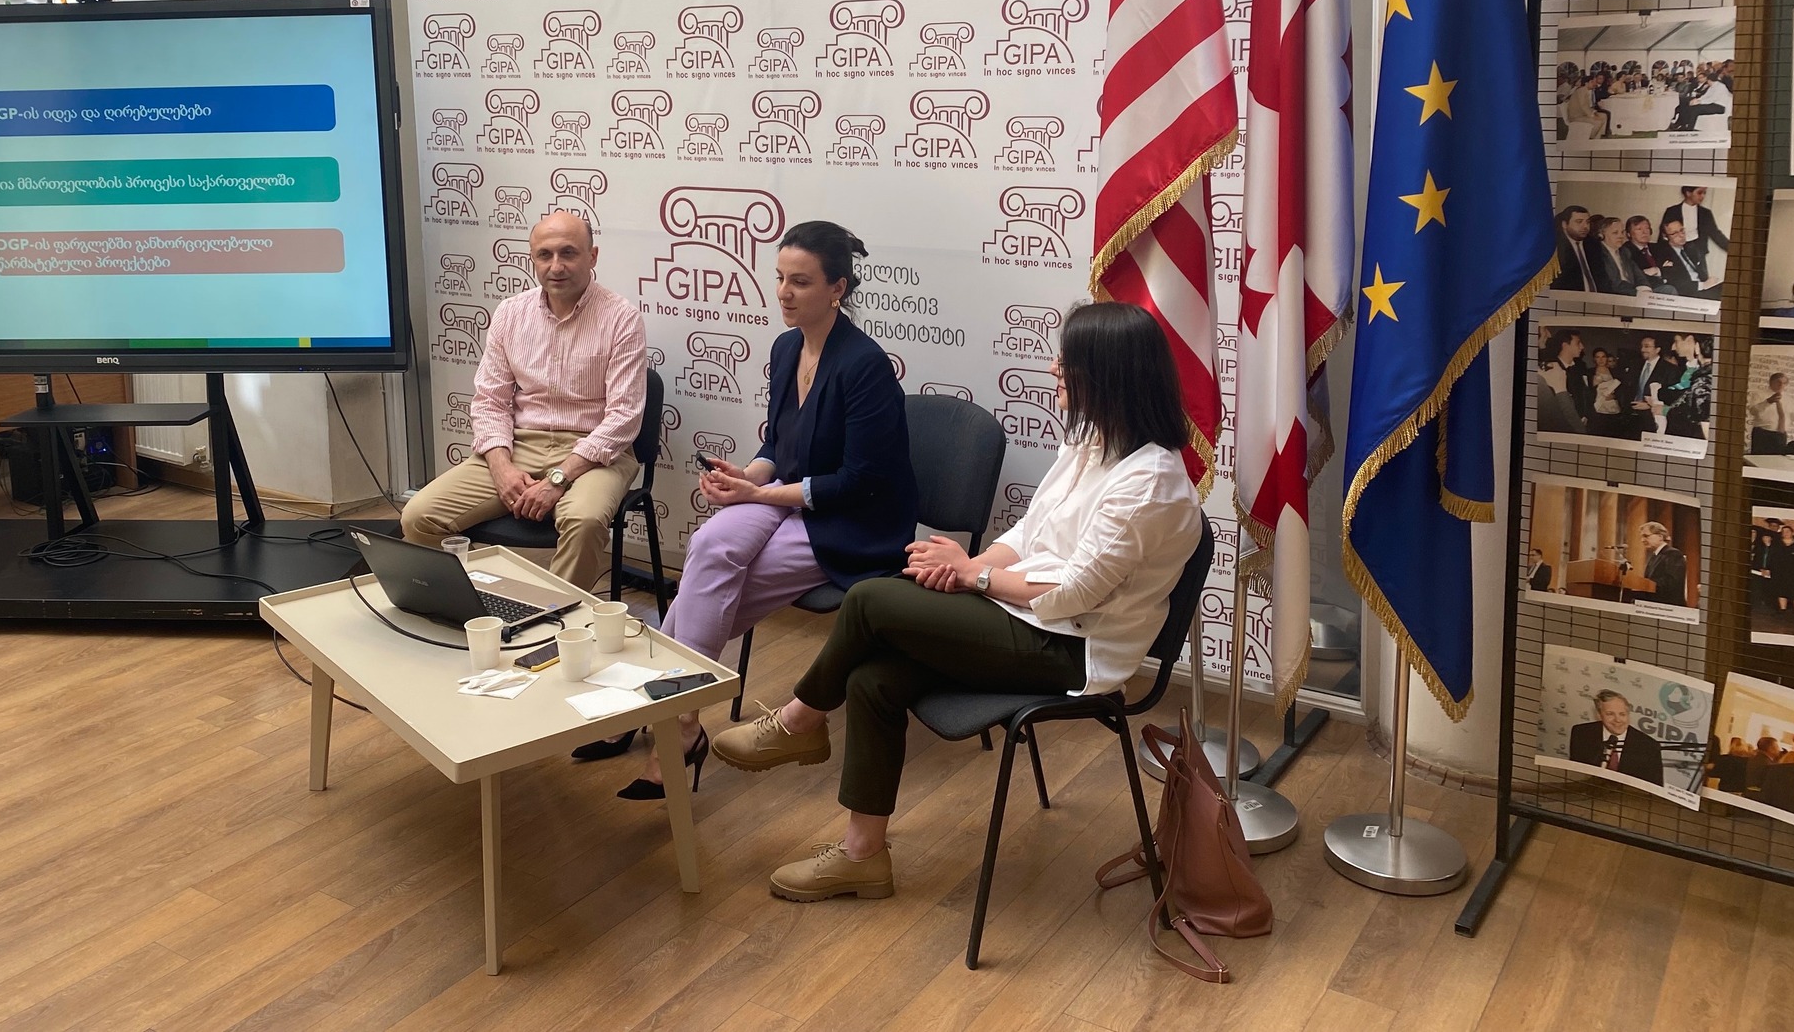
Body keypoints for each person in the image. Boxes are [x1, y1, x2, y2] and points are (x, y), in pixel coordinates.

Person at [707, 301, 1203, 901]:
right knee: (872, 678)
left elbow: (1074, 593)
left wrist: (974, 579)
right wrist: (972, 565)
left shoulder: (1150, 483)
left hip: (1073, 650)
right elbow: (1030, 534)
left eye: (1066, 361)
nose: (1053, 369)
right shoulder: (1092, 441)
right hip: (1024, 616)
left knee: (868, 601)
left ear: (1106, 375)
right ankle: (862, 857)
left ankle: (799, 721)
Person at [583, 220, 917, 800]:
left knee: (715, 584)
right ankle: (679, 718)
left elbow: (859, 482)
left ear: (838, 288)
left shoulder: (865, 365)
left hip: (853, 522)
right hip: (789, 494)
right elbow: (780, 445)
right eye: (780, 278)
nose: (784, 293)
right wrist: (748, 475)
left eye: (801, 282)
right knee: (710, 546)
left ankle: (668, 717)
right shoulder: (787, 347)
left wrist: (759, 495)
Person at [400, 211, 646, 591]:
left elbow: (624, 417)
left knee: (584, 521)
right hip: (518, 445)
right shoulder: (510, 313)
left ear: (592, 256)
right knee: (418, 516)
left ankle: (557, 615)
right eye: (544, 255)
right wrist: (501, 468)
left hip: (595, 453)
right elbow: (490, 402)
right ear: (532, 259)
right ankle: (473, 601)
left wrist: (559, 478)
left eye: (568, 253)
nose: (556, 266)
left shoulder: (622, 318)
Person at [1570, 690, 1666, 785]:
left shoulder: (1649, 746)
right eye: (1610, 714)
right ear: (1599, 715)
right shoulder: (1581, 733)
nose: (1618, 720)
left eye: (1622, 714)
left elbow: (1654, 788)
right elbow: (1575, 776)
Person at [1654, 332, 1712, 440]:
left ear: (1690, 340)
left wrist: (1666, 409)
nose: (1673, 347)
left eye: (1676, 341)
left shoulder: (1703, 374)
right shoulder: (1684, 368)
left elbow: (1681, 398)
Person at [1750, 372, 1794, 456]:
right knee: (1758, 460)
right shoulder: (1759, 395)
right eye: (1778, 382)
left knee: (1778, 460)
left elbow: (1793, 418)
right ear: (1770, 382)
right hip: (1763, 434)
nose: (1781, 385)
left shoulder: (1788, 399)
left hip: (1781, 435)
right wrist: (1768, 401)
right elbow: (1753, 411)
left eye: (1784, 383)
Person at [1537, 328, 1586, 435]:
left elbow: (1582, 394)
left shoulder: (1578, 368)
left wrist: (1584, 415)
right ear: (1565, 345)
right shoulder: (1552, 368)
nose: (1582, 347)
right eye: (1578, 343)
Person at [1658, 218, 1721, 299]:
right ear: (1665, 236)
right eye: (1675, 233)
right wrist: (1703, 285)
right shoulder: (1663, 254)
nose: (1681, 235)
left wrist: (1709, 283)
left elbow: (1702, 273)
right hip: (1688, 294)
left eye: (1682, 230)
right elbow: (1675, 283)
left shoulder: (1691, 248)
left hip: (1703, 289)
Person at [1661, 185, 1728, 254]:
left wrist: (1731, 248)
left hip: (1698, 251)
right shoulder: (1672, 211)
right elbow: (1663, 234)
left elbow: (1715, 233)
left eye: (1704, 193)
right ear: (1688, 193)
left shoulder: (1705, 213)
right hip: (1677, 250)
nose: (1703, 196)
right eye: (1699, 193)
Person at [1587, 218, 1642, 297]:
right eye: (1615, 233)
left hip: (1633, 293)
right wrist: (1639, 293)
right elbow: (1614, 284)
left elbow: (1638, 275)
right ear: (1601, 235)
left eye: (1622, 232)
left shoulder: (1625, 251)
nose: (1621, 236)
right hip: (1615, 296)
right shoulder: (1598, 254)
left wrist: (1645, 288)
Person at [1640, 520, 1687, 607]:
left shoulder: (1673, 554)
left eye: (1646, 536)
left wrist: (1646, 585)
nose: (1642, 540)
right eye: (1642, 537)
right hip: (1654, 605)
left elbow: (1672, 582)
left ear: (1660, 537)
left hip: (1669, 606)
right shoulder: (1654, 556)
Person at [1551, 205, 1598, 292]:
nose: (1585, 226)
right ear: (1564, 224)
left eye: (1587, 222)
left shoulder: (1594, 245)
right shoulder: (1556, 247)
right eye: (1579, 222)